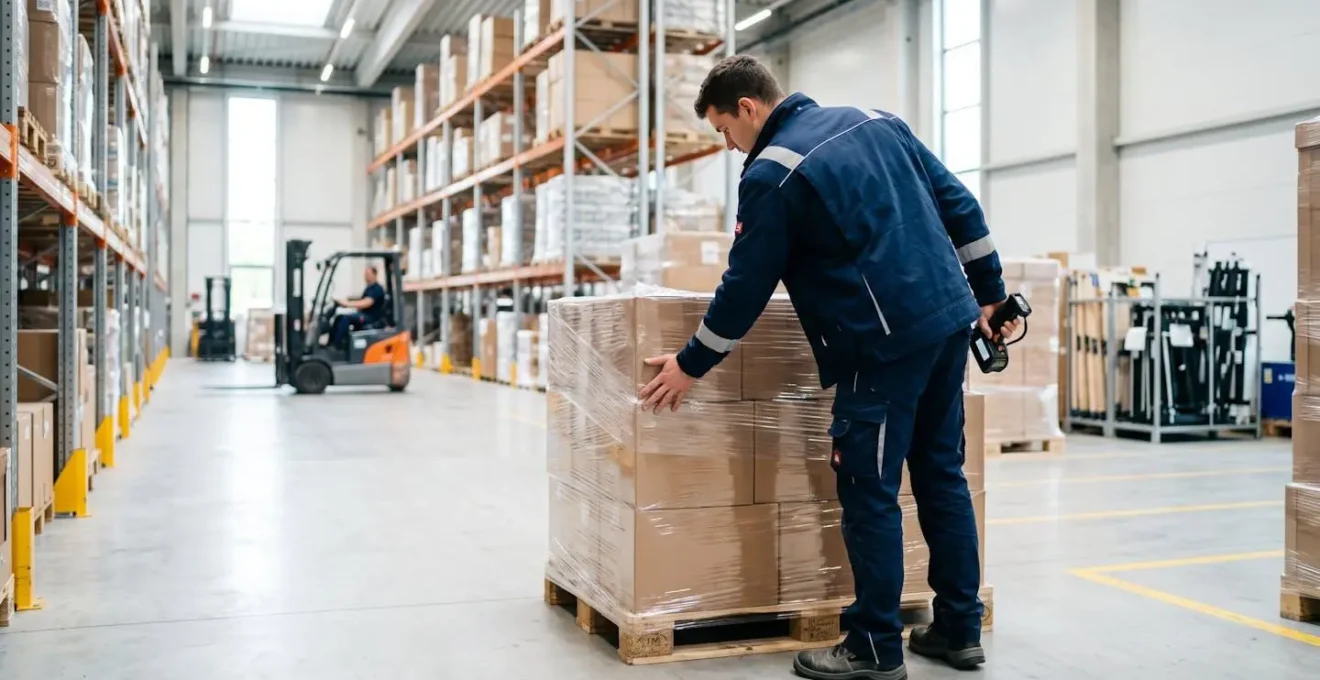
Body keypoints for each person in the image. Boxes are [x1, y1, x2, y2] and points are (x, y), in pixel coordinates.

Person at [638, 56, 1019, 680]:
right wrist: (990, 293)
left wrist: (690, 364)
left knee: (869, 489)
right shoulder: (878, 121)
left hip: (881, 346)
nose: (729, 146)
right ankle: (958, 628)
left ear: (748, 109)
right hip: (949, 323)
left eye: (724, 130)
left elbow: (745, 286)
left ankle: (874, 646)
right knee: (941, 475)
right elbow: (961, 205)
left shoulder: (773, 172)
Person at [331, 264, 386, 347]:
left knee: (345, 318)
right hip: (364, 315)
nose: (365, 276)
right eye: (365, 274)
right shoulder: (369, 288)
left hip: (370, 318)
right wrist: (343, 301)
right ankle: (332, 343)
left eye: (368, 274)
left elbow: (366, 303)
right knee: (339, 317)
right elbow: (361, 301)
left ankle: (337, 346)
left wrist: (347, 304)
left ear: (374, 274)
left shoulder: (377, 289)